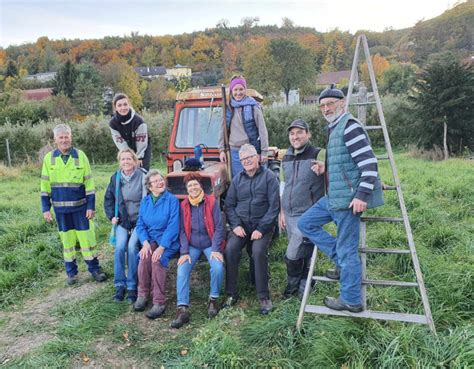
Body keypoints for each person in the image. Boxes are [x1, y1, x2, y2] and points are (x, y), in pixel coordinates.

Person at [298, 84, 384, 313]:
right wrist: (326, 167)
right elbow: (348, 162)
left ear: (342, 103)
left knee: (348, 251)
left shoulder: (349, 127)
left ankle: (351, 299)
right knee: (306, 223)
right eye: (322, 106)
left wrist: (362, 195)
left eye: (330, 104)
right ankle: (341, 264)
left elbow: (369, 164)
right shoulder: (335, 127)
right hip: (334, 197)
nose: (326, 108)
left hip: (347, 202)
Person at [41, 124, 106, 285]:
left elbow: (89, 184)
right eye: (61, 137)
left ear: (71, 137)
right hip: (61, 211)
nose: (64, 140)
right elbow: (44, 187)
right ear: (55, 140)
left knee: (87, 241)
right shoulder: (49, 159)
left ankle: (95, 270)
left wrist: (91, 206)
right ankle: (71, 274)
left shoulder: (80, 156)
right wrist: (45, 209)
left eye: (67, 137)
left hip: (81, 209)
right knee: (67, 243)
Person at [223, 144, 280, 315]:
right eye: (243, 159)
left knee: (257, 251)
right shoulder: (237, 179)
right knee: (230, 249)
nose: (247, 161)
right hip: (241, 225)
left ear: (257, 158)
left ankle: (263, 296)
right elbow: (229, 205)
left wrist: (262, 228)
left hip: (262, 225)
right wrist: (236, 225)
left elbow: (274, 206)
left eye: (249, 157)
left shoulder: (269, 177)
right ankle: (231, 293)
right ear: (240, 162)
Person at [171, 172, 225, 329]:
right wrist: (184, 252)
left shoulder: (212, 202)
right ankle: (182, 309)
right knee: (182, 269)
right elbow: (182, 230)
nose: (193, 188)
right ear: (187, 189)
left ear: (201, 186)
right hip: (192, 245)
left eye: (195, 184)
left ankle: (213, 299)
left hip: (209, 244)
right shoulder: (184, 205)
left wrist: (215, 248)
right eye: (190, 186)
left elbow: (219, 227)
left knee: (217, 267)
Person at [279, 119, 325, 299]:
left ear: (308, 134)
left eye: (299, 132)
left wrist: (324, 167)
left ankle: (293, 284)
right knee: (300, 250)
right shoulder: (286, 158)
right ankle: (305, 283)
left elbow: (333, 166)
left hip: (308, 213)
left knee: (294, 251)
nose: (295, 136)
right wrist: (281, 212)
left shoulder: (319, 153)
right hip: (289, 212)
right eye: (292, 133)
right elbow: (283, 185)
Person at [134, 170, 180, 319]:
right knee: (144, 258)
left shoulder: (171, 200)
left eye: (161, 180)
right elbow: (140, 224)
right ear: (149, 186)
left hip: (168, 241)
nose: (160, 183)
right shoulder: (145, 201)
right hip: (151, 240)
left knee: (157, 260)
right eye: (156, 181)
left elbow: (173, 226)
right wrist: (145, 243)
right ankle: (143, 294)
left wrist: (161, 247)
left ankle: (159, 302)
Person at [104, 148, 147, 303]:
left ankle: (132, 285)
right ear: (119, 162)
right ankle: (119, 285)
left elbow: (147, 200)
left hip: (139, 222)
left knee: (131, 247)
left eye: (129, 159)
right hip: (123, 221)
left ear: (135, 161)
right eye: (123, 159)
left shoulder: (142, 176)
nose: (126, 162)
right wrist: (112, 216)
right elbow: (108, 199)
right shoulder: (115, 178)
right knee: (120, 247)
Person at [218, 75, 269, 177]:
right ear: (232, 91)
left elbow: (262, 130)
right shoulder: (227, 108)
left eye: (241, 89)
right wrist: (221, 150)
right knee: (239, 181)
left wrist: (264, 152)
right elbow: (222, 130)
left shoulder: (253, 107)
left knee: (255, 180)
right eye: (235, 89)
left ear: (245, 89)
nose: (238, 93)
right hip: (235, 152)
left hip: (251, 150)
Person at [109, 93, 152, 171]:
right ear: (115, 108)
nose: (123, 108)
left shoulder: (139, 121)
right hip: (126, 148)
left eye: (125, 104)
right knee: (127, 170)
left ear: (129, 105)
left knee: (142, 171)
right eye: (119, 105)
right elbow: (120, 143)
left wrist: (138, 158)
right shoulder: (113, 123)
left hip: (142, 149)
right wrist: (128, 157)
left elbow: (142, 143)